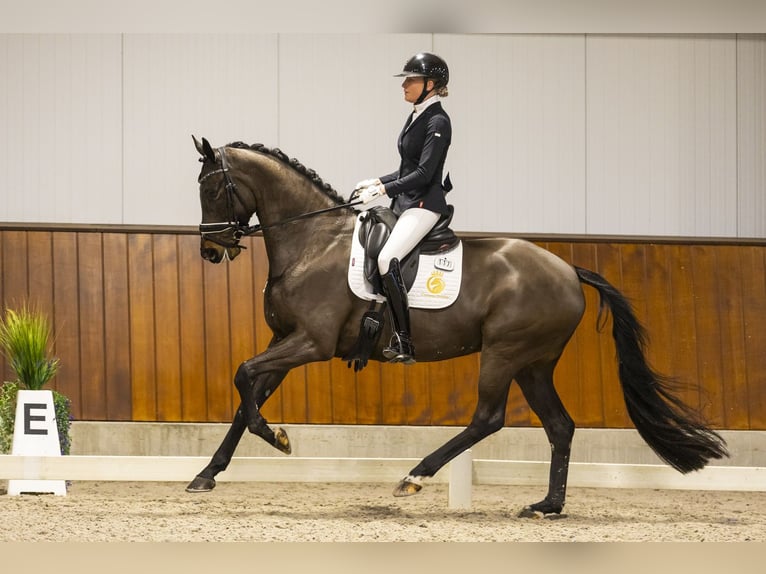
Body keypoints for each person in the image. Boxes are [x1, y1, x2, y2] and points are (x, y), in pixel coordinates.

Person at [354, 52, 453, 364]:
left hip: (425, 204)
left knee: (387, 258)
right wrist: (378, 180)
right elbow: (406, 168)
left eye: (411, 79)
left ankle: (403, 340)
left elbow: (424, 174)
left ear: (431, 84)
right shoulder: (416, 115)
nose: (405, 85)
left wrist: (383, 189)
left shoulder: (438, 120)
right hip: (406, 201)